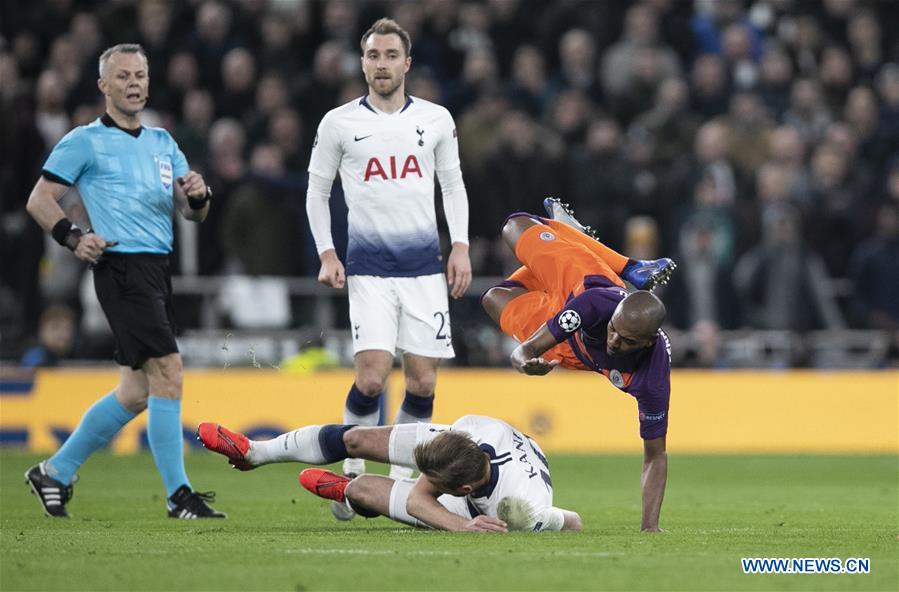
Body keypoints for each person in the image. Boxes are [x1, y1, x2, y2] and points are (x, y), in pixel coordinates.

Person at [23, 44, 224, 519]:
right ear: (103, 86)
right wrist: (74, 237)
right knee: (170, 372)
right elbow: (39, 199)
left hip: (157, 269)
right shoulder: (84, 141)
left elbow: (193, 214)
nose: (134, 83)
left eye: (140, 75)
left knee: (136, 391)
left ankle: (55, 471)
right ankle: (180, 495)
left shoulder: (162, 142)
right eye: (123, 76)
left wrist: (198, 195)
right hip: (122, 267)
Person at [304, 17, 472, 515]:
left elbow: (453, 185)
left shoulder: (437, 119)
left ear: (407, 63)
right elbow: (317, 191)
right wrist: (326, 252)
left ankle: (398, 480)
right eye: (373, 56)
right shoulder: (338, 123)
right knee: (373, 378)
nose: (382, 64)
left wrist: (459, 245)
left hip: (424, 270)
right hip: (370, 269)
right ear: (362, 62)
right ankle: (352, 475)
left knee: (422, 383)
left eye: (390, 56)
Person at [480, 198, 675, 532]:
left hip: (569, 351)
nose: (614, 341)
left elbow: (655, 456)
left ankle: (572, 236)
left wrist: (650, 528)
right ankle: (628, 267)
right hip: (580, 282)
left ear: (647, 342)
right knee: (515, 224)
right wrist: (524, 361)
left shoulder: (652, 378)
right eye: (614, 330)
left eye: (627, 341)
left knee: (494, 298)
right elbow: (524, 351)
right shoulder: (598, 304)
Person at [196, 416, 582, 533]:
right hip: (475, 450)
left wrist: (465, 526)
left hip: (486, 502)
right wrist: (457, 526)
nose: (423, 481)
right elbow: (420, 495)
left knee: (365, 489)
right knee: (358, 439)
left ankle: (349, 491)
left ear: (462, 487)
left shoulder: (524, 508)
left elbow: (574, 522)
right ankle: (253, 453)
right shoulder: (471, 430)